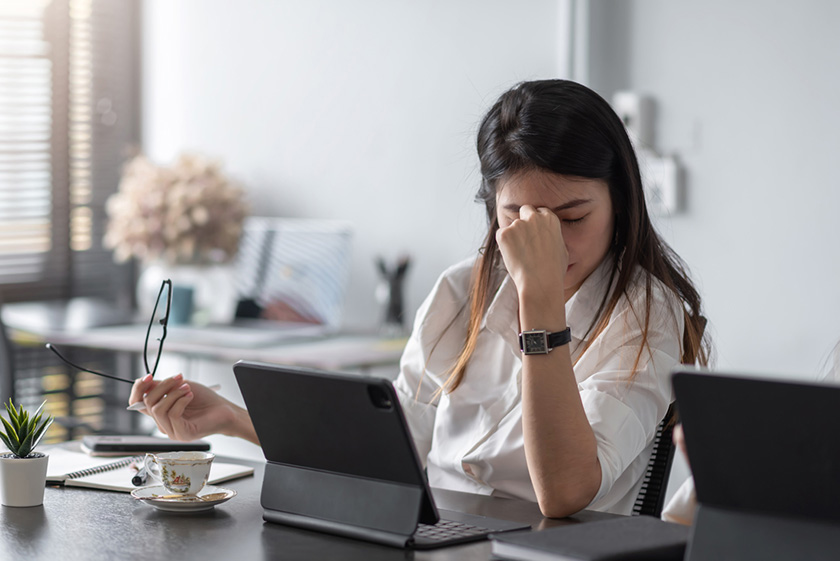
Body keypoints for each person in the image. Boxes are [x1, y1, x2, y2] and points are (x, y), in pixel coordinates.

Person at [129, 79, 710, 518]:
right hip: (438, 536)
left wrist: (539, 304)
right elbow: (394, 447)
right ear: (492, 209)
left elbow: (563, 493)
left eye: (573, 217)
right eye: (520, 217)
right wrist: (232, 418)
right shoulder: (463, 289)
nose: (548, 241)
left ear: (621, 203)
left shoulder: (649, 315)